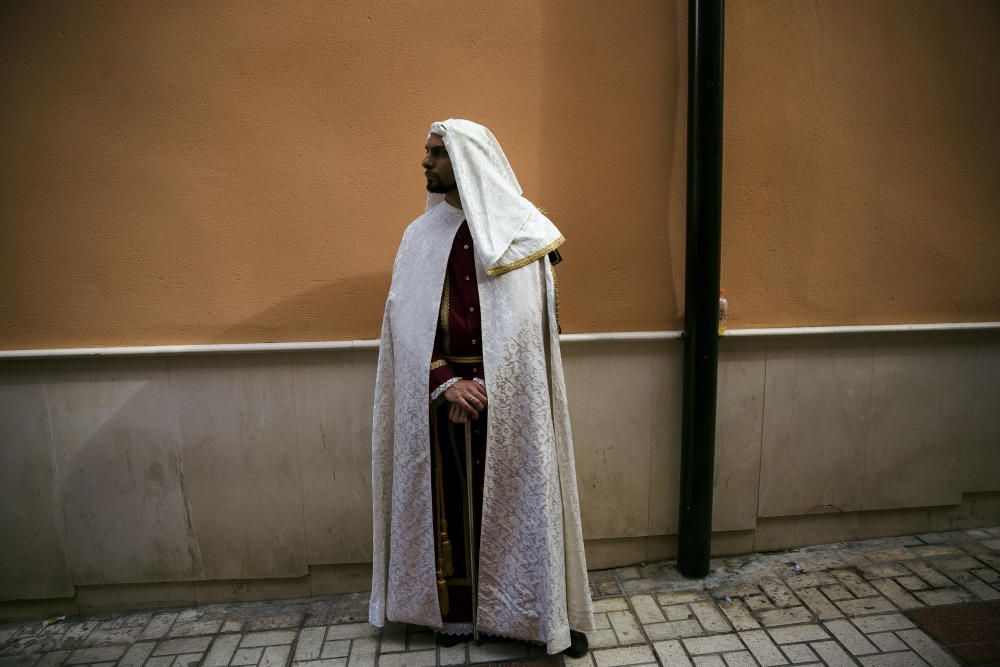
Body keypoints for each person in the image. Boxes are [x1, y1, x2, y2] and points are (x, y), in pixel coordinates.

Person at [369, 119, 594, 657]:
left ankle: (530, 614)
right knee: (446, 505)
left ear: (466, 161)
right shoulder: (418, 238)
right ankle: (450, 615)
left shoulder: (525, 232)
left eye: (436, 154)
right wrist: (448, 383)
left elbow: (532, 329)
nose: (425, 162)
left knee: (519, 506)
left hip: (509, 401)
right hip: (440, 398)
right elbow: (405, 326)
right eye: (426, 153)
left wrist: (490, 385)